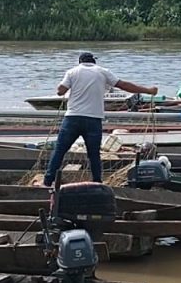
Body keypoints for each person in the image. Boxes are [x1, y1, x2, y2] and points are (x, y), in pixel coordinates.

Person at [42, 52, 157, 187]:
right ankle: (97, 182)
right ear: (94, 62)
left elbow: (60, 91)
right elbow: (124, 85)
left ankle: (48, 181)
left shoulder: (72, 72)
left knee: (60, 150)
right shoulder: (103, 72)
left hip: (72, 118)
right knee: (94, 154)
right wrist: (148, 90)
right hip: (93, 119)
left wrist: (65, 88)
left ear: (80, 62)